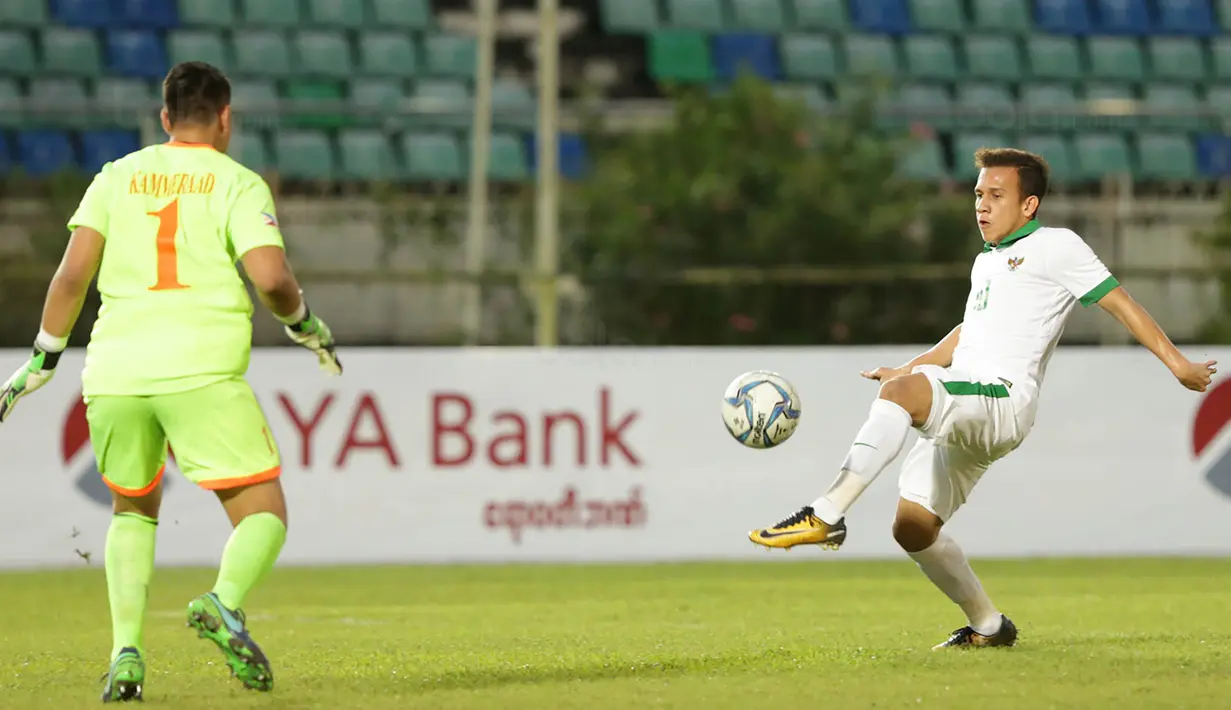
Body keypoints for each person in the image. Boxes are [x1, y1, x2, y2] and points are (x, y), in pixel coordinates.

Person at [747, 147, 1216, 650]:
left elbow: (1121, 303)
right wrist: (909, 370)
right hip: (970, 401)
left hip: (1001, 399)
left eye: (996, 195)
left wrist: (1178, 364)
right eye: (978, 195)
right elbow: (969, 331)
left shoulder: (1057, 246)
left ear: (1029, 205)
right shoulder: (987, 262)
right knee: (912, 527)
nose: (982, 206)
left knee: (902, 397)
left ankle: (826, 515)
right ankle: (989, 626)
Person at [0, 61, 342, 702]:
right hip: (200, 372)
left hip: (115, 373)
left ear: (164, 119)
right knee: (263, 512)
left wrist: (44, 358)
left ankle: (126, 655)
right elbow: (270, 279)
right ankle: (224, 602)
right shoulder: (238, 183)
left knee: (132, 509)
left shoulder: (116, 176)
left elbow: (71, 277)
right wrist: (302, 323)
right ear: (225, 119)